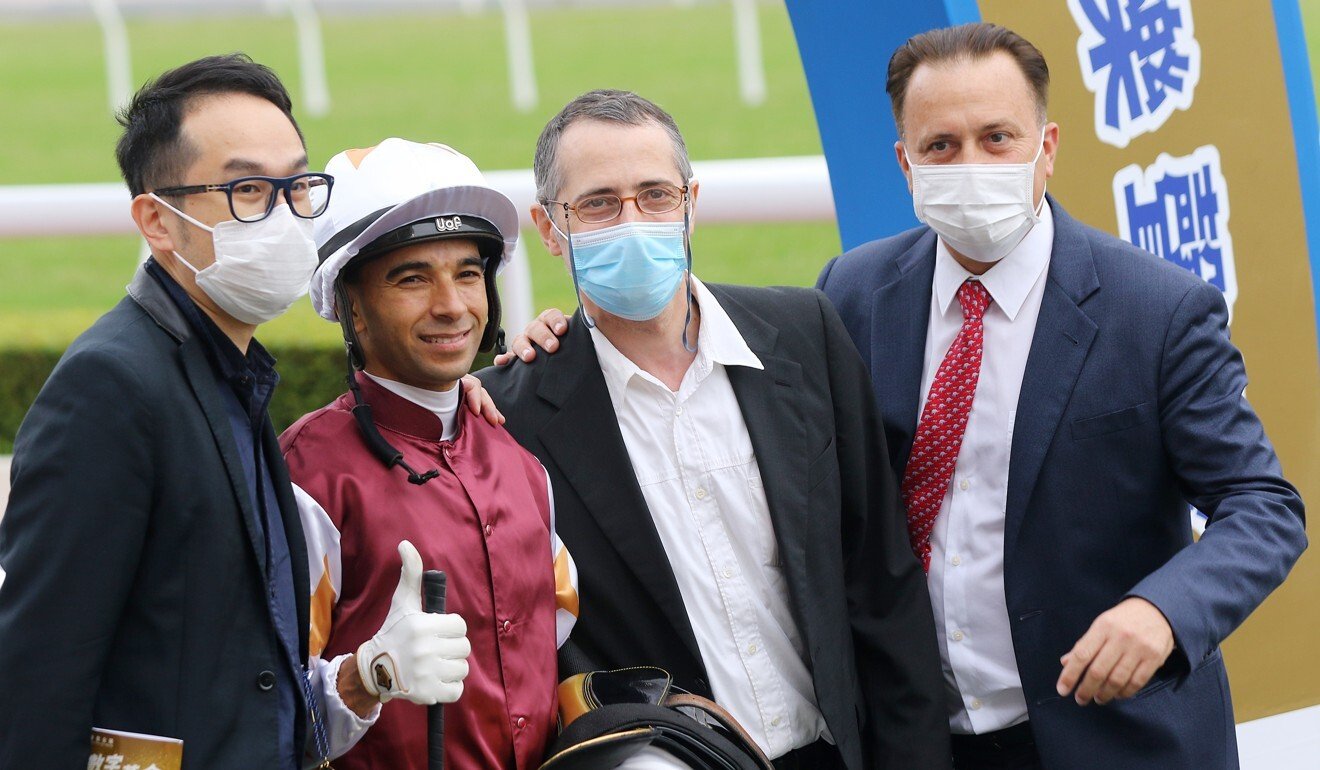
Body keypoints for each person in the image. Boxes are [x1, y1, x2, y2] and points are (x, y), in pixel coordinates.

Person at [813, 23, 1307, 769]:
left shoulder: (1157, 312)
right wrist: (573, 336)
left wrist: (1162, 612)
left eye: (998, 137)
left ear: (1046, 148)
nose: (971, 165)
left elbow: (1263, 507)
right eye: (940, 146)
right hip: (917, 740)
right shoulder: (852, 292)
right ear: (905, 165)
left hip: (1111, 736)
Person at [479, 89, 949, 769]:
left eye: (655, 195)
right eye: (599, 203)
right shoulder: (510, 415)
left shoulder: (804, 334)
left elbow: (882, 583)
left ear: (691, 203)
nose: (633, 221)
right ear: (551, 229)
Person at [0, 53, 333, 768]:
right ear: (157, 220)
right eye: (248, 189)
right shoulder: (109, 387)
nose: (283, 216)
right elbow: (40, 672)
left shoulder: (235, 371)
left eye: (298, 185)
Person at [280, 138, 579, 769]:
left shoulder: (519, 460)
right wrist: (366, 677)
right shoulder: (308, 474)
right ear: (349, 308)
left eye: (467, 274)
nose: (451, 305)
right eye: (413, 278)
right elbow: (261, 714)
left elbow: (560, 647)